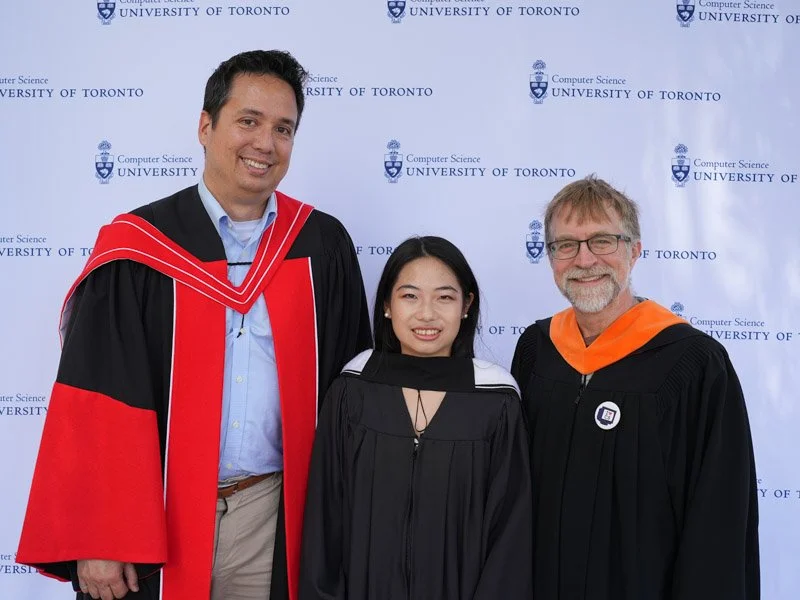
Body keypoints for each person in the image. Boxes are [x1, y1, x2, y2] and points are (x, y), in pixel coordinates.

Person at [17, 50, 372, 600]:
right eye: (248, 121)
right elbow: (94, 402)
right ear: (206, 127)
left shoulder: (320, 247)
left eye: (283, 129)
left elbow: (352, 398)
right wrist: (97, 534)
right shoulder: (138, 249)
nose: (265, 143)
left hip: (275, 516)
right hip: (155, 514)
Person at [511, 175, 760, 600]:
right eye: (566, 244)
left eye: (603, 241)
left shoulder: (694, 365)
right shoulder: (537, 351)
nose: (584, 260)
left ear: (636, 250)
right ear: (550, 256)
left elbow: (718, 520)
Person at [299, 236, 533, 600]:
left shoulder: (495, 402)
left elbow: (509, 536)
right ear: (388, 306)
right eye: (410, 296)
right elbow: (324, 521)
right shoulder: (353, 390)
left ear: (466, 305)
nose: (427, 314)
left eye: (445, 297)